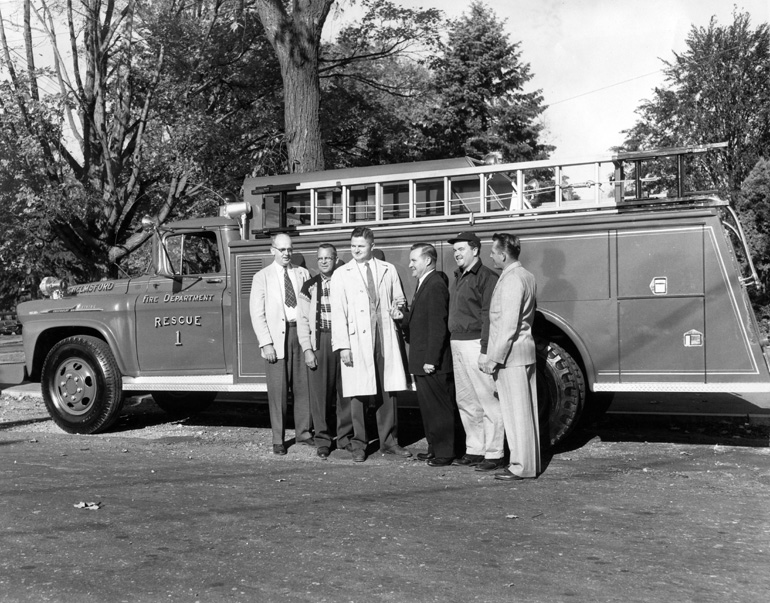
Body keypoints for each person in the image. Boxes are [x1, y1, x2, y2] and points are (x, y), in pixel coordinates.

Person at [330, 227, 412, 462]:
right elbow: (338, 313)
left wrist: (398, 308)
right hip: (357, 341)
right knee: (358, 394)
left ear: (372, 247)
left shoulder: (388, 270)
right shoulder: (342, 274)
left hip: (384, 337)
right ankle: (359, 443)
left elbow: (399, 299)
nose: (356, 250)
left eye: (361, 246)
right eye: (353, 245)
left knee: (388, 391)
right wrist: (343, 346)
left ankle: (389, 441)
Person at [481, 232, 540, 481]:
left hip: (511, 356)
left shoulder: (511, 279)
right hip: (523, 352)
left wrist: (494, 358)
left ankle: (521, 467)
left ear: (503, 255)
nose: (491, 256)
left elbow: (507, 324)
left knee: (517, 415)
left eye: (494, 252)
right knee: (527, 413)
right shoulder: (526, 275)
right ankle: (528, 463)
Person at [249, 232, 312, 455]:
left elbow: (309, 307)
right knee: (278, 391)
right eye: (282, 249)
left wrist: (309, 342)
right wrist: (266, 344)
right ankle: (278, 438)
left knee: (303, 387)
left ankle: (304, 433)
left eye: (289, 249)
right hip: (276, 338)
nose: (287, 253)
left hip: (300, 334)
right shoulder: (261, 277)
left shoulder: (303, 273)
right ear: (272, 250)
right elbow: (257, 314)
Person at [446, 231, 503, 472]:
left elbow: (489, 314)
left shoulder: (486, 277)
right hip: (457, 343)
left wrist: (485, 349)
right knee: (466, 401)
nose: (457, 254)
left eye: (461, 249)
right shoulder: (458, 275)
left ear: (475, 250)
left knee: (488, 400)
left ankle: (495, 453)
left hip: (476, 344)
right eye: (455, 250)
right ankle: (475, 449)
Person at [398, 243, 456, 467]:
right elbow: (421, 321)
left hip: (431, 362)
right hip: (423, 360)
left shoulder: (435, 284)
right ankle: (434, 448)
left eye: (414, 260)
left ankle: (444, 452)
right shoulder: (425, 283)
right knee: (429, 409)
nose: (410, 265)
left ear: (428, 261)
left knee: (438, 409)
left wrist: (431, 359)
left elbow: (437, 326)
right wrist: (403, 317)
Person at [297, 244, 340, 460]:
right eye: (320, 258)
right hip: (320, 340)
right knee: (319, 395)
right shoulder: (309, 286)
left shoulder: (344, 282)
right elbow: (303, 321)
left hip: (341, 340)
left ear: (335, 259)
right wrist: (308, 349)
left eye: (328, 258)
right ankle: (323, 440)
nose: (324, 261)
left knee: (345, 393)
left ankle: (344, 438)